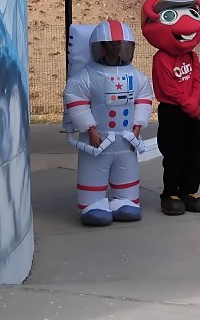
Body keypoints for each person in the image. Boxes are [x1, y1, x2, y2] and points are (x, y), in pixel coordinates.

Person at [63, 20, 154, 226]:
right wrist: (90, 129)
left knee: (127, 170)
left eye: (120, 47)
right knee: (93, 170)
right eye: (111, 46)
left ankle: (126, 200)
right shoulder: (85, 76)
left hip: (126, 140)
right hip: (97, 142)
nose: (116, 51)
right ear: (99, 48)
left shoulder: (136, 77)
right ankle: (92, 203)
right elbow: (75, 99)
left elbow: (144, 99)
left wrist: (138, 126)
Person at [140, 0, 200, 215]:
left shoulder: (192, 56)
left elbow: (196, 80)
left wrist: (194, 101)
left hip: (193, 111)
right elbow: (167, 86)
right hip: (172, 111)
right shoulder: (160, 58)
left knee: (195, 151)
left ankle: (189, 190)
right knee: (174, 153)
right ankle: (170, 192)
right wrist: (187, 102)